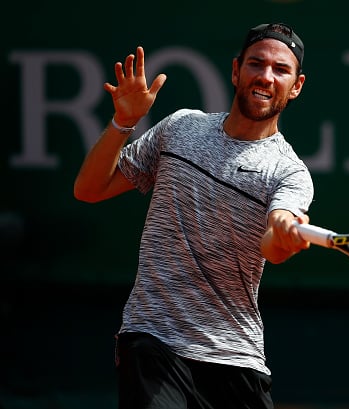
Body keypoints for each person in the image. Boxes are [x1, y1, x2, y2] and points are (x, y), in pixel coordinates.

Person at [74, 22, 314, 409]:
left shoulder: (289, 172)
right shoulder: (181, 128)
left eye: (280, 70)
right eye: (257, 64)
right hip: (153, 339)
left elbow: (273, 244)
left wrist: (284, 233)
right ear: (237, 70)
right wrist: (123, 122)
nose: (266, 77)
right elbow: (89, 189)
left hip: (236, 355)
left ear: (296, 84)